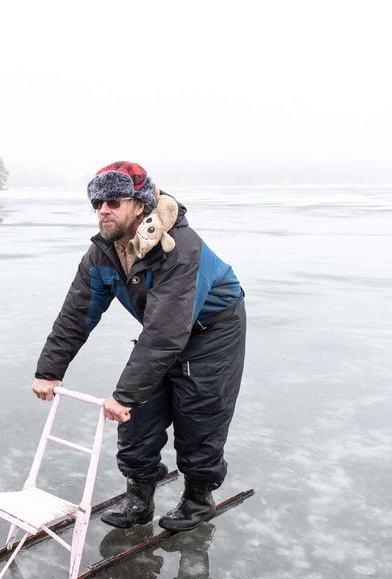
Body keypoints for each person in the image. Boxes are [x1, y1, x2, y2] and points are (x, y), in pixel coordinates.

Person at [31, 161, 246, 531]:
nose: (103, 211)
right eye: (97, 203)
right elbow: (78, 312)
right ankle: (139, 497)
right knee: (135, 421)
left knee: (200, 417)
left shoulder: (179, 248)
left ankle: (198, 498)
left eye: (113, 202)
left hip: (212, 333)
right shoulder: (104, 251)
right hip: (162, 331)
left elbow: (166, 332)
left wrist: (126, 393)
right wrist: (50, 370)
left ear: (140, 204)